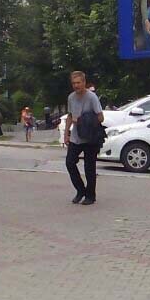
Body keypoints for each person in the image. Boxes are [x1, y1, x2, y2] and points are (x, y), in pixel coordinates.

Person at [64, 70, 104, 205]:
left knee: (89, 167)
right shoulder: (71, 97)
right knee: (70, 163)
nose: (76, 85)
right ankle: (80, 190)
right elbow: (70, 116)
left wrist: (84, 120)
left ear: (84, 82)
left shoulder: (92, 97)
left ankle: (90, 196)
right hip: (76, 136)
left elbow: (100, 117)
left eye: (78, 82)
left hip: (91, 137)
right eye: (73, 83)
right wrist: (66, 134)